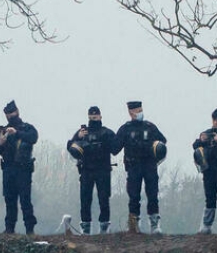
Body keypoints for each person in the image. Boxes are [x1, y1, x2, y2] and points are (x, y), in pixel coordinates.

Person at [115, 100, 167, 234]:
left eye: (141, 110)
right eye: (137, 111)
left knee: (153, 194)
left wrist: (155, 147)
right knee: (134, 196)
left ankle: (155, 225)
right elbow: (115, 147)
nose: (140, 113)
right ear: (130, 112)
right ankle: (133, 225)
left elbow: (162, 142)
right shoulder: (125, 129)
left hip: (149, 165)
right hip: (133, 166)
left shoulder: (150, 127)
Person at [67, 106, 119, 234]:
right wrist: (78, 137)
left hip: (103, 170)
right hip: (87, 170)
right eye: (91, 117)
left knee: (104, 198)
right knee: (85, 199)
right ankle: (86, 227)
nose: (93, 119)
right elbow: (71, 147)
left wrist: (106, 143)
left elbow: (116, 148)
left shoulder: (107, 133)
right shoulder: (83, 133)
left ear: (101, 117)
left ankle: (104, 226)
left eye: (95, 117)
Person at [0, 100, 39, 234]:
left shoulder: (27, 128)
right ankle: (9, 229)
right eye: (8, 114)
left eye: (12, 112)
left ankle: (30, 229)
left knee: (25, 200)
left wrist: (16, 133)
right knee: (10, 200)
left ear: (17, 111)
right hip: (8, 169)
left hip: (23, 169)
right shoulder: (3, 131)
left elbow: (33, 138)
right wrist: (1, 142)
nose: (10, 116)